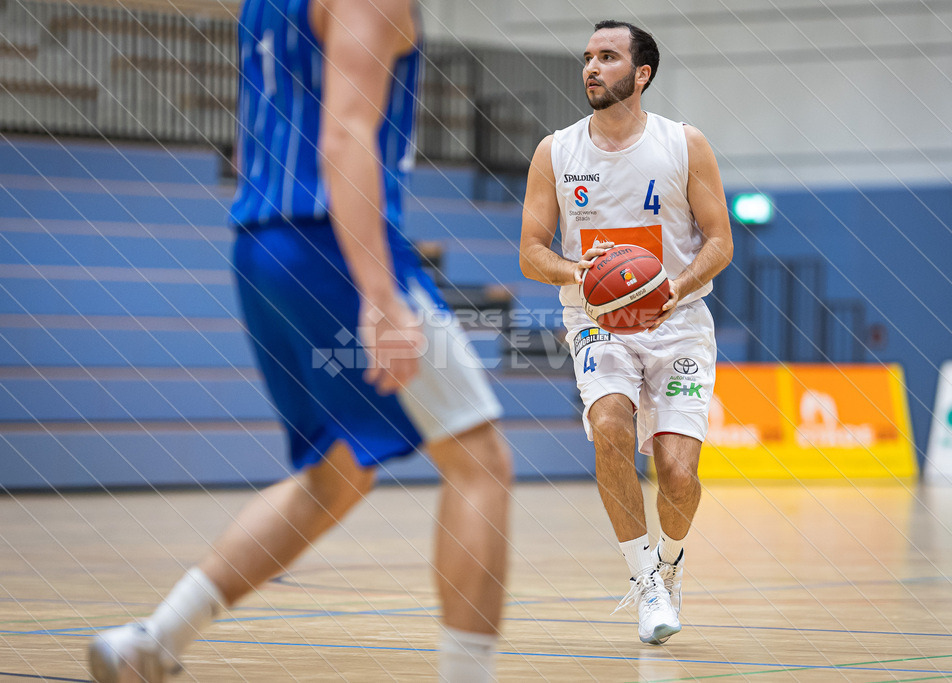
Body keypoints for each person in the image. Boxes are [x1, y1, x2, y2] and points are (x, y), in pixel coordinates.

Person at [88, 0, 511, 680]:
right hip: (329, 242)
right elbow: (344, 134)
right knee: (480, 461)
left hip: (260, 245)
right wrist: (379, 297)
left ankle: (153, 640)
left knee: (334, 473)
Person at [519, 20, 732, 645]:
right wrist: (575, 272)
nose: (591, 67)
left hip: (679, 321)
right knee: (609, 423)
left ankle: (670, 562)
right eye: (587, 56)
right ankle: (644, 582)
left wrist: (674, 287)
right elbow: (532, 253)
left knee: (678, 474)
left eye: (607, 57)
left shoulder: (684, 143)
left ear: (641, 75)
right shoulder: (554, 152)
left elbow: (720, 242)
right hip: (595, 322)